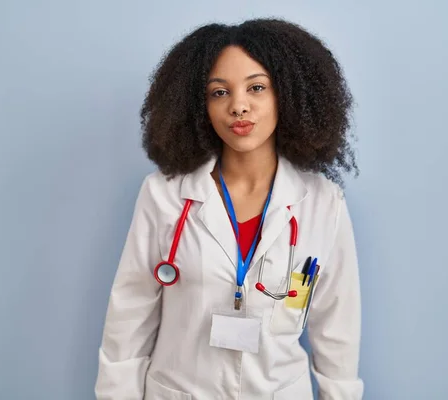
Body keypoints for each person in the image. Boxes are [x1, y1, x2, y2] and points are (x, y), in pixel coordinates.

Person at [95, 18, 363, 400]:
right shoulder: (164, 196)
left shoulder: (323, 202)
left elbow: (337, 332)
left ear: (286, 95)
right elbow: (129, 318)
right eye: (219, 92)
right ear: (198, 105)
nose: (238, 106)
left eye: (257, 87)